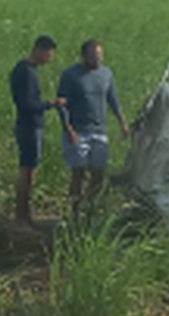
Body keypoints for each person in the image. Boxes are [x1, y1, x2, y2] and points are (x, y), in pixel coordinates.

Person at [56, 39, 130, 219]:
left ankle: (89, 209)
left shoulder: (106, 74)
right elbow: (61, 104)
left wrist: (122, 122)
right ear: (84, 56)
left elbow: (113, 100)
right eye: (94, 56)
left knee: (98, 173)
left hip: (99, 131)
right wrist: (68, 129)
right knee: (78, 172)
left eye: (99, 56)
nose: (98, 60)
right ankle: (74, 212)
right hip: (78, 131)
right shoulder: (71, 75)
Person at [10, 35, 66, 227]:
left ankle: (24, 214)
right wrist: (50, 103)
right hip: (29, 125)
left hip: (28, 125)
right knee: (27, 170)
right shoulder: (26, 73)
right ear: (39, 50)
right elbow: (27, 104)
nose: (50, 59)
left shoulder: (24, 69)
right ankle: (22, 215)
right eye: (49, 55)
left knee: (28, 169)